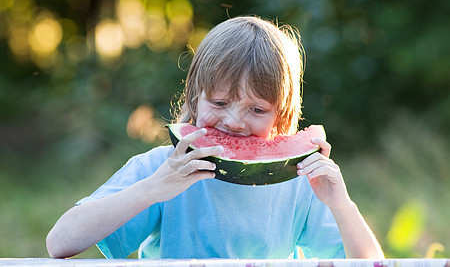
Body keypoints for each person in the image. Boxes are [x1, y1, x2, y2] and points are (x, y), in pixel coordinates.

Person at [46, 16, 384, 260]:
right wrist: (153, 188)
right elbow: (59, 243)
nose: (235, 122)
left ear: (281, 114)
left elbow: (370, 262)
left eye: (257, 110)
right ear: (194, 98)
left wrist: (341, 205)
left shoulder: (299, 185)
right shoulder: (161, 169)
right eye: (220, 103)